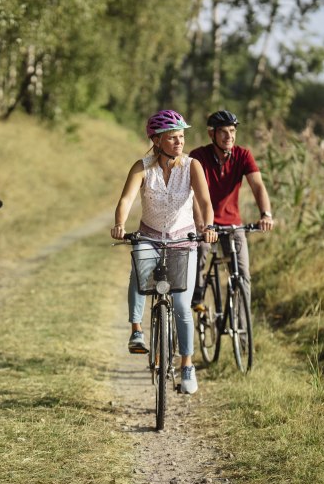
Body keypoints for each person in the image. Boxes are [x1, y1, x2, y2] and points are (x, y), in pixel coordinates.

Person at [111, 110, 217, 395]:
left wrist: (207, 226)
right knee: (140, 266)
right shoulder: (142, 167)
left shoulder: (192, 166)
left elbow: (205, 201)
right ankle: (136, 331)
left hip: (184, 240)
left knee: (182, 307)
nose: (179, 142)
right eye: (172, 138)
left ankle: (187, 366)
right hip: (150, 235)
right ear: (157, 140)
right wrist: (120, 224)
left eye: (181, 137)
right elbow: (126, 199)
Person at [188, 109, 274, 309]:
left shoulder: (243, 155)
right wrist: (200, 221)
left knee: (243, 275)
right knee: (199, 251)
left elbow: (258, 186)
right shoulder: (198, 156)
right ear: (212, 134)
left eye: (233, 131)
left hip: (232, 223)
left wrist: (266, 214)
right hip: (204, 222)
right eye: (224, 132)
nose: (229, 137)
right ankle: (197, 293)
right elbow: (192, 193)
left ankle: (243, 332)